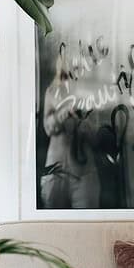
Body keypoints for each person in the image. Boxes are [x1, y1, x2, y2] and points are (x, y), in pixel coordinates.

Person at [39, 43, 100, 209]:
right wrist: (62, 114)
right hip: (56, 169)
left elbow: (95, 136)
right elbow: (48, 128)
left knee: (87, 218)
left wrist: (83, 122)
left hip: (84, 171)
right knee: (52, 220)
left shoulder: (88, 93)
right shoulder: (52, 92)